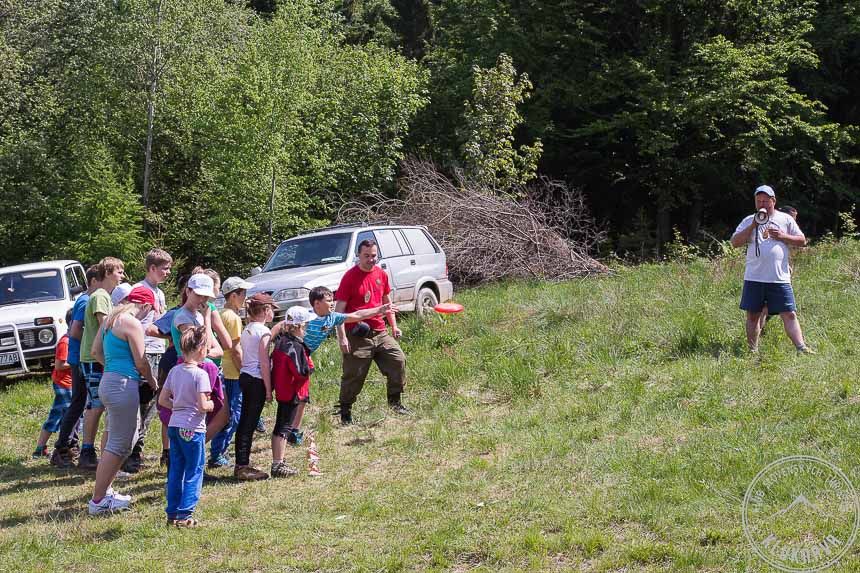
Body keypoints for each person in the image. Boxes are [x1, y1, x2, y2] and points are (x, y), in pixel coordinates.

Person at [87, 286, 158, 516]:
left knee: (120, 438)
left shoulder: (110, 320)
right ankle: (98, 500)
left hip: (109, 381)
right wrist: (152, 381)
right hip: (123, 385)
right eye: (150, 311)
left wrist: (113, 368)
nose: (148, 315)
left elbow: (95, 351)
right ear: (145, 305)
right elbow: (141, 361)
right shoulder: (131, 323)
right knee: (120, 444)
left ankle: (105, 492)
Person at [730, 185, 812, 354]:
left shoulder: (785, 219)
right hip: (754, 277)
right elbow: (735, 243)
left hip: (779, 278)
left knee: (789, 313)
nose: (762, 204)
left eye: (766, 201)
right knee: (753, 315)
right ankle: (752, 351)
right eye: (759, 201)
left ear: (773, 201)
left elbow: (802, 240)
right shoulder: (748, 220)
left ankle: (801, 348)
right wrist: (753, 226)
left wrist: (782, 236)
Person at [334, 239, 408, 424]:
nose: (371, 259)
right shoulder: (349, 277)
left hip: (380, 332)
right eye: (366, 256)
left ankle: (395, 402)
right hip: (357, 335)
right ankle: (345, 411)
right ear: (358, 256)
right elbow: (339, 312)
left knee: (398, 360)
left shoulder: (381, 274)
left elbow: (387, 303)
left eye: (374, 255)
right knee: (354, 374)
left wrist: (394, 326)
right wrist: (342, 338)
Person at [159, 326, 213, 527]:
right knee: (194, 470)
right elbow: (202, 405)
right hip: (193, 428)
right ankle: (185, 515)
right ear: (200, 349)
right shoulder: (200, 374)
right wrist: (211, 404)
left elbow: (163, 400)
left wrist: (178, 406)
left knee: (176, 470)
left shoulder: (174, 371)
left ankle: (172, 513)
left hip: (174, 426)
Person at [125, 248, 172, 473]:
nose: (168, 272)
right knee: (143, 404)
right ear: (152, 268)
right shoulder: (139, 289)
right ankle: (132, 453)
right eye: (164, 268)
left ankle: (137, 449)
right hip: (144, 350)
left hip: (158, 350)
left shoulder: (159, 292)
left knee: (153, 405)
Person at [51, 264, 100, 467]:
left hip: (82, 358)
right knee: (79, 403)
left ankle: (69, 445)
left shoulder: (87, 299)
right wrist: (88, 348)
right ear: (94, 281)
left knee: (81, 403)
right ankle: (62, 448)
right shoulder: (86, 301)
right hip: (80, 359)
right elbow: (75, 330)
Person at [78, 257, 125, 470]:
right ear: (107, 273)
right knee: (96, 405)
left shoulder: (105, 296)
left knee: (97, 404)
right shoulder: (100, 296)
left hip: (98, 357)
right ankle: (87, 451)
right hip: (94, 358)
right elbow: (106, 326)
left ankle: (90, 450)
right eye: (119, 271)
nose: (122, 275)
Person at [209, 276, 254, 469]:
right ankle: (218, 453)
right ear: (233, 295)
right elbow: (235, 349)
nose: (245, 297)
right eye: (243, 294)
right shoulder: (233, 318)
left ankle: (218, 451)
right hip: (233, 372)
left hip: (224, 370)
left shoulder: (222, 313)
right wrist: (244, 370)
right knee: (233, 415)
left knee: (226, 413)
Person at [234, 293, 277, 481]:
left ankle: (241, 463)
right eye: (272, 309)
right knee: (249, 423)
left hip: (245, 375)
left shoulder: (248, 329)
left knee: (245, 421)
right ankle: (242, 466)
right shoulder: (264, 332)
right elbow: (264, 362)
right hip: (256, 379)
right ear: (266, 310)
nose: (273, 313)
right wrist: (268, 390)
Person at [269, 306, 314, 477]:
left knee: (282, 425)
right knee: (284, 427)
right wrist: (309, 368)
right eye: (305, 325)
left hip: (283, 390)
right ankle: (277, 464)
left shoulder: (281, 342)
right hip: (291, 391)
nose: (306, 329)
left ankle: (278, 461)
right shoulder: (294, 346)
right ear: (297, 326)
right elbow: (300, 372)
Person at [33, 311, 74, 458]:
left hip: (69, 384)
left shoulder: (73, 340)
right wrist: (76, 362)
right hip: (63, 385)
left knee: (59, 416)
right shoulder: (65, 342)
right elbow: (59, 365)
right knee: (63, 416)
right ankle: (45, 448)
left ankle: (41, 448)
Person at [758, 206, 800, 333]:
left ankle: (761, 329)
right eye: (792, 218)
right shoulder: (773, 227)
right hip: (769, 272)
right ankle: (758, 332)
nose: (794, 221)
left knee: (777, 307)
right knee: (766, 306)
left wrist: (787, 266)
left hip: (781, 271)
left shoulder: (787, 229)